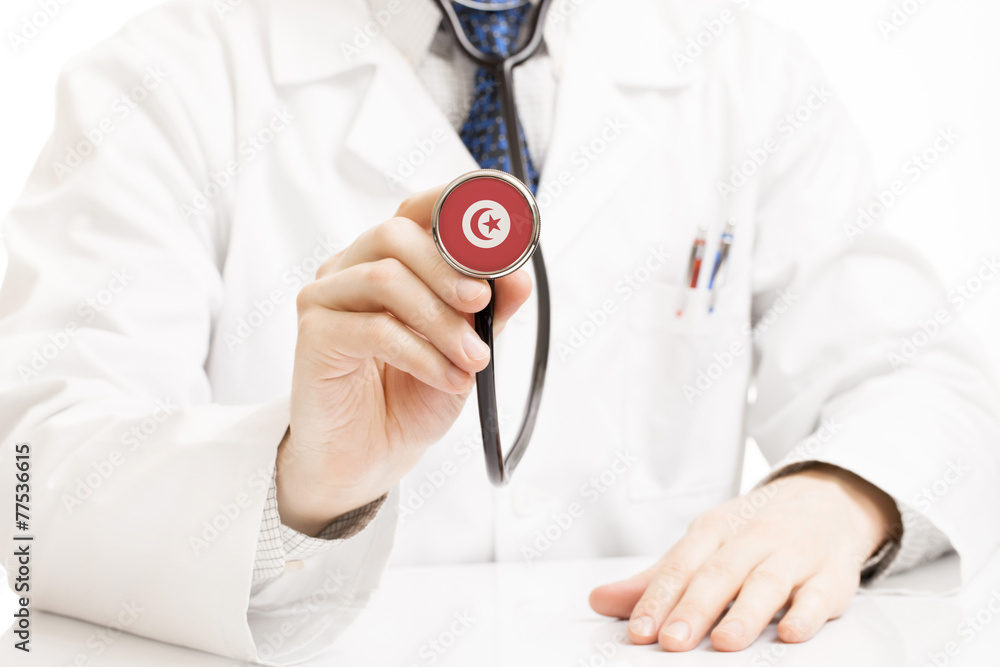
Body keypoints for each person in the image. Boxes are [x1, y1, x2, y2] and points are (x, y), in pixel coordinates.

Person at [1, 0, 998, 664]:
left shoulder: (740, 66)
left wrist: (836, 494)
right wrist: (297, 481)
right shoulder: (166, 74)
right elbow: (30, 485)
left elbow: (919, 379)